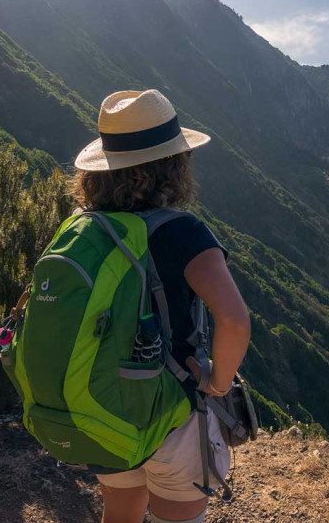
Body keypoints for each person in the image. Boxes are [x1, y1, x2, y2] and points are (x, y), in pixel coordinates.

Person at [70, 89, 251, 523]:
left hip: (104, 405)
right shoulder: (184, 232)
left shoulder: (84, 229)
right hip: (173, 411)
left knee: (120, 511)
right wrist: (218, 383)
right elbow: (234, 319)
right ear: (174, 166)